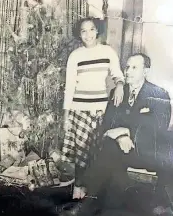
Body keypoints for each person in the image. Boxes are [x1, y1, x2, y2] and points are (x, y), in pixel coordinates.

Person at [68, 53, 172, 216]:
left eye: (134, 67)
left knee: (108, 152)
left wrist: (126, 131)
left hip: (146, 151)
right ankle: (90, 203)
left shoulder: (159, 94)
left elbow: (158, 127)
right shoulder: (118, 93)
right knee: (108, 148)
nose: (128, 71)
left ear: (145, 71)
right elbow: (107, 124)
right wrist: (118, 135)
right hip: (120, 148)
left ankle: (88, 197)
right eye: (127, 67)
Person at [61, 17, 125, 199]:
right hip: (79, 110)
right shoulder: (75, 56)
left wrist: (120, 85)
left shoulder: (107, 51)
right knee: (81, 154)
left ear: (97, 31)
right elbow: (69, 87)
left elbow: (117, 73)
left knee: (96, 153)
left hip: (101, 110)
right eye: (83, 31)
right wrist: (66, 115)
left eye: (91, 30)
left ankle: (93, 192)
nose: (87, 34)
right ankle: (78, 189)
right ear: (79, 34)